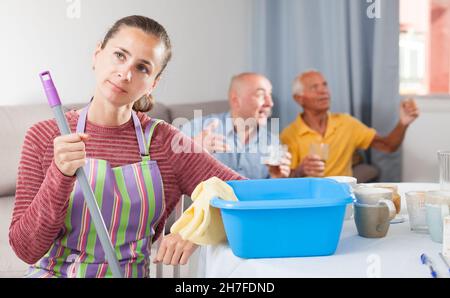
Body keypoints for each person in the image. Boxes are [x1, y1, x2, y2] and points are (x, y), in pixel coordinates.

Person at [9, 15, 243, 278]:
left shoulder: (165, 142)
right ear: (97, 55)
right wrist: (60, 174)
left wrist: (200, 228)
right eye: (120, 55)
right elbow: (25, 249)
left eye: (142, 67)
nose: (126, 73)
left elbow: (246, 194)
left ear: (152, 83)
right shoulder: (45, 135)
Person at [281, 70, 420, 178]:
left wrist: (403, 123)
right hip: (311, 202)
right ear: (299, 99)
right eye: (314, 87)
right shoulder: (289, 135)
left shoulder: (347, 124)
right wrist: (300, 171)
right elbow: (282, 181)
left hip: (344, 198)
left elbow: (388, 146)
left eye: (325, 85)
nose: (324, 91)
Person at [181, 73, 291, 179]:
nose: (270, 103)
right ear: (235, 101)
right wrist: (193, 152)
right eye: (260, 95)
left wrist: (277, 179)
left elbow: (270, 191)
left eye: (270, 94)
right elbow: (170, 171)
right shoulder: (197, 128)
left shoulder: (272, 141)